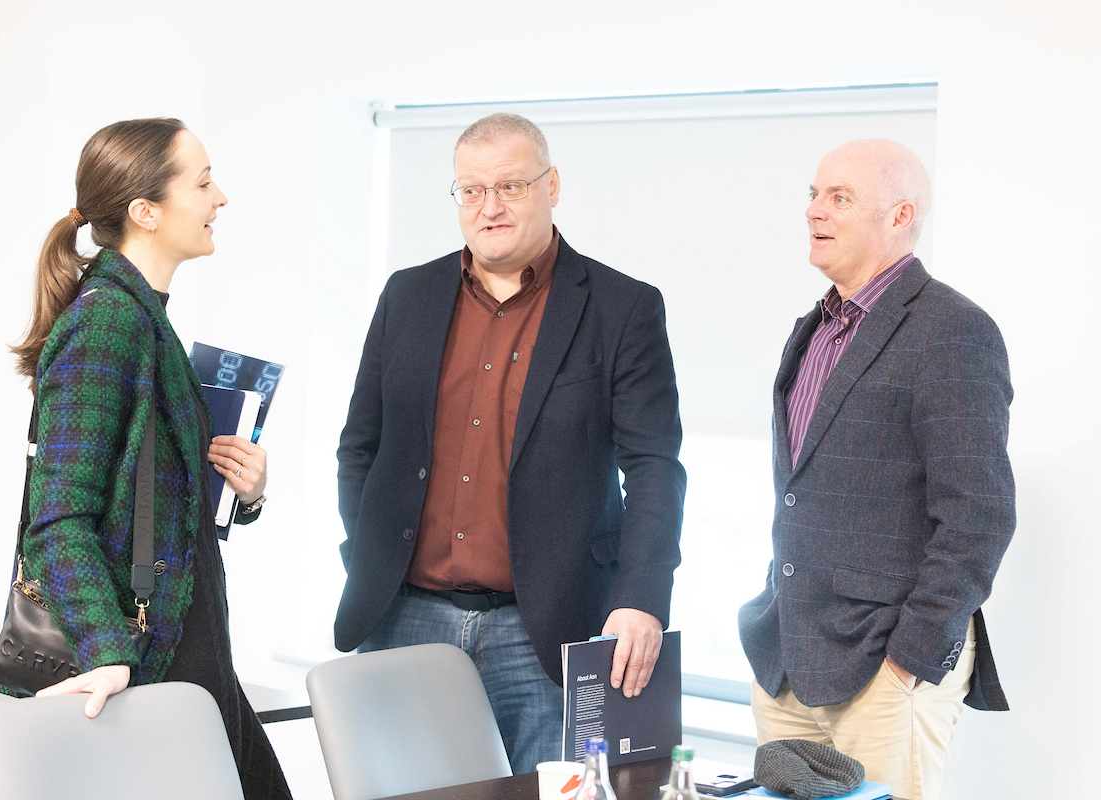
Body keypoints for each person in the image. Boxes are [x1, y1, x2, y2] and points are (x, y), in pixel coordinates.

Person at [335, 113, 686, 774]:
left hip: (548, 628)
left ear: (551, 186)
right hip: (405, 619)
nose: (489, 207)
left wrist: (641, 594)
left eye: (510, 187)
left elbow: (654, 467)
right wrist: (370, 553)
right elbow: (361, 445)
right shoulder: (407, 295)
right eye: (471, 190)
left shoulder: (622, 308)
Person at [10, 118, 290, 799]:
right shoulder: (106, 322)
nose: (220, 197)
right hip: (146, 655)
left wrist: (245, 493)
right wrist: (108, 653)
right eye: (203, 183)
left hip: (185, 637)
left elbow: (162, 507)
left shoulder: (147, 318)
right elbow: (57, 520)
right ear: (145, 211)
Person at [738, 139, 1015, 800]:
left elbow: (978, 518)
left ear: (900, 216)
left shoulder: (953, 330)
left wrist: (908, 662)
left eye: (840, 197)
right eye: (814, 194)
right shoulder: (812, 329)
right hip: (785, 661)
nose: (814, 211)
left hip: (882, 672)